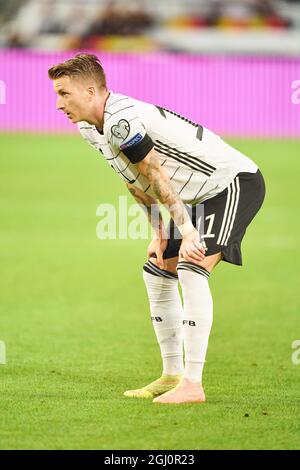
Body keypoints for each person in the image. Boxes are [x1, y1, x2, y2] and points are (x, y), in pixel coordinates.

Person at [48, 53, 265, 404]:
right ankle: (171, 375)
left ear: (90, 91)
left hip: (231, 184)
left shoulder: (122, 119)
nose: (59, 104)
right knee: (158, 269)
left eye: (64, 93)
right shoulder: (90, 126)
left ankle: (193, 386)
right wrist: (160, 232)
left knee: (192, 267)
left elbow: (155, 172)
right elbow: (135, 180)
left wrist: (188, 233)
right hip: (196, 198)